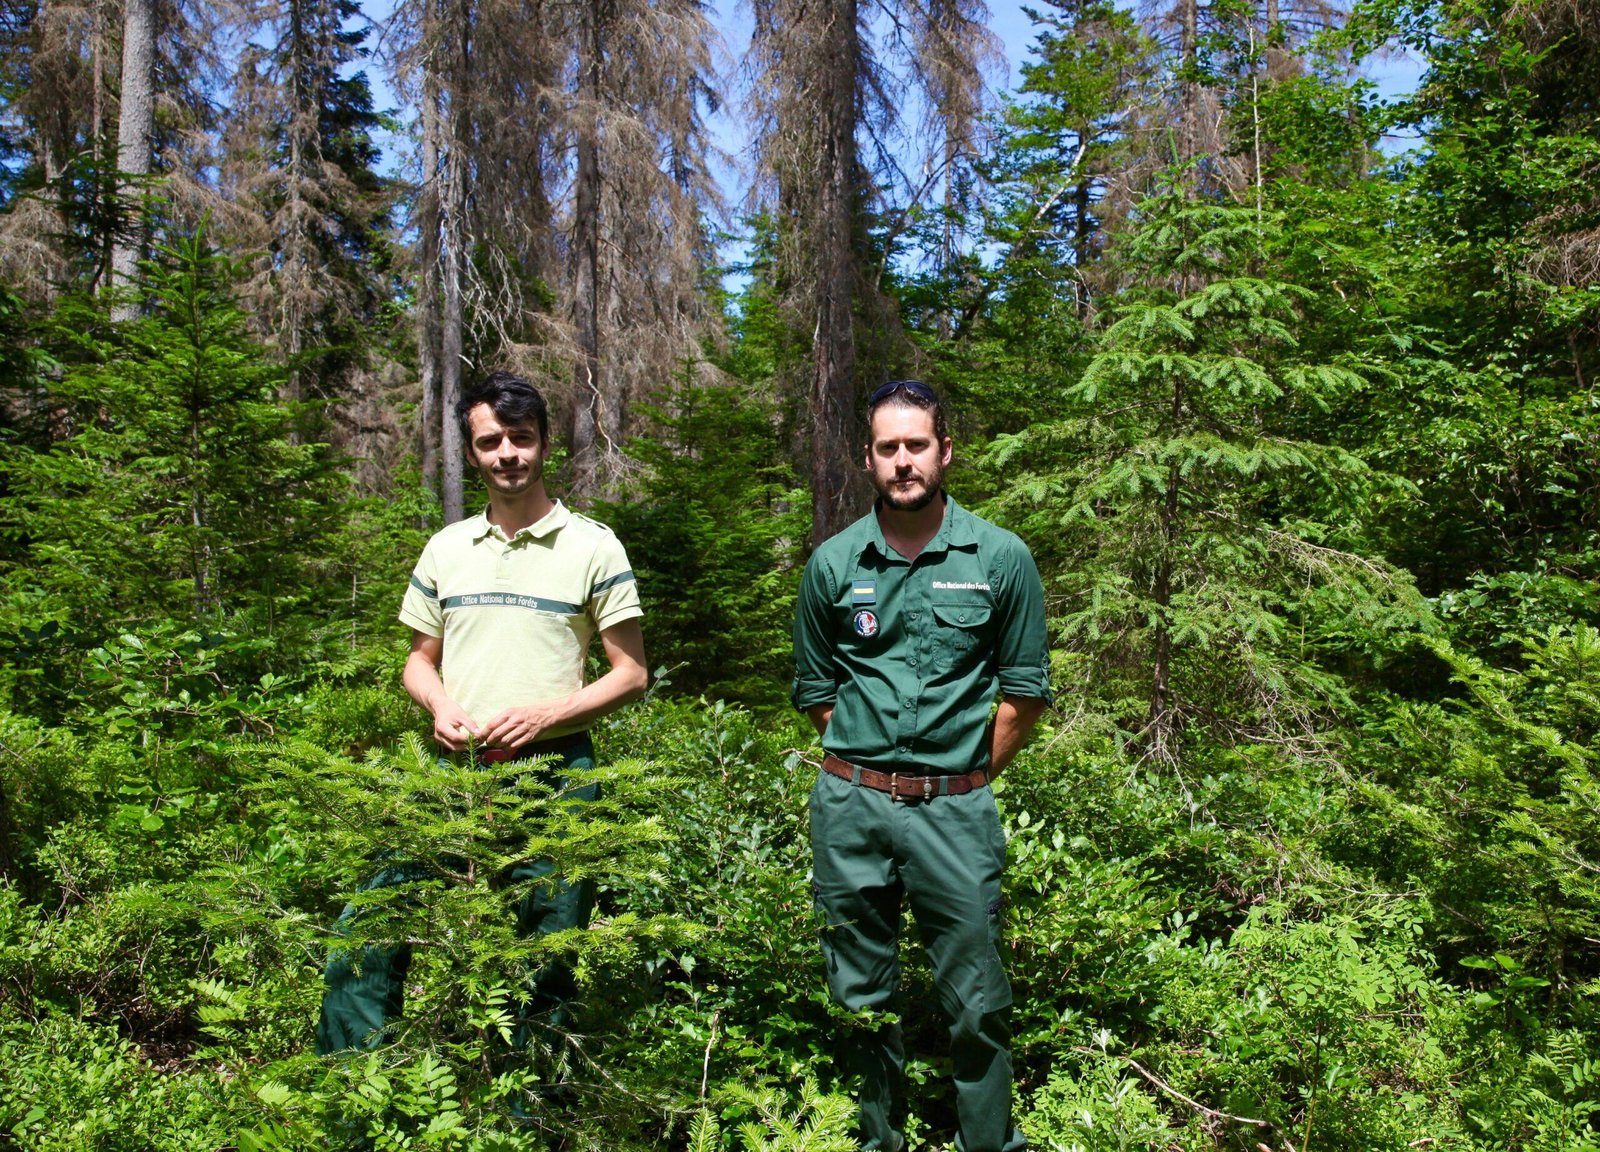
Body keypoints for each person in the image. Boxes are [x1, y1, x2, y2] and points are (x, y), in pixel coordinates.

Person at [316, 370, 648, 1055]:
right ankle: (353, 1083)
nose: (507, 454)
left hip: (556, 775)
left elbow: (632, 674)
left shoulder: (594, 547)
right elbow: (417, 661)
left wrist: (549, 713)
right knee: (368, 925)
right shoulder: (447, 549)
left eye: (520, 438)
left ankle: (528, 1102)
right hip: (451, 770)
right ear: (471, 453)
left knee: (543, 960)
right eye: (490, 441)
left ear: (544, 443)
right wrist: (439, 703)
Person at [791, 379, 1051, 1152]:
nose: (903, 461)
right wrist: (871, 766)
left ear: (945, 452)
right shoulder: (834, 563)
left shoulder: (999, 558)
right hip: (851, 811)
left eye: (916, 445)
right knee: (858, 998)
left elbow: (1025, 693)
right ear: (868, 458)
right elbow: (816, 690)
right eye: (888, 448)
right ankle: (878, 1142)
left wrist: (958, 777)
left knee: (977, 1001)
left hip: (955, 813)